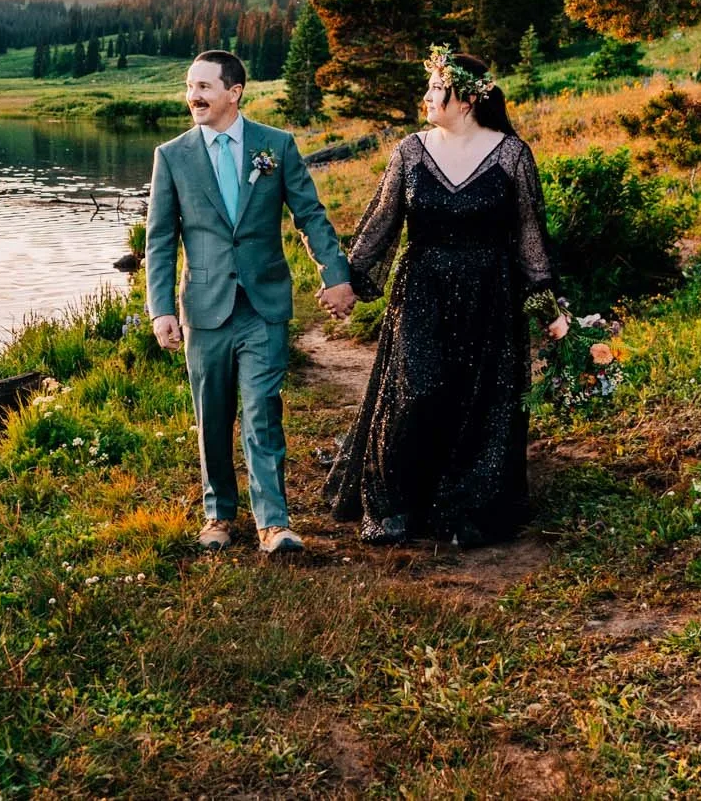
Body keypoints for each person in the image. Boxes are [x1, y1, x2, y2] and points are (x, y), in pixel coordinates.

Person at [323, 47, 569, 548]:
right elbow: (381, 224)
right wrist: (347, 280)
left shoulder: (511, 156)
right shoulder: (410, 151)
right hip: (421, 291)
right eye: (430, 88)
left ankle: (467, 508)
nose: (428, 97)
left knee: (482, 402)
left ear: (470, 98)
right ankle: (396, 506)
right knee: (419, 388)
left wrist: (547, 307)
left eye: (438, 89)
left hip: (490, 295)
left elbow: (528, 236)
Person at [146, 50, 354, 555]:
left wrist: (336, 276)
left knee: (262, 410)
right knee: (212, 414)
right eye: (189, 86)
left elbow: (310, 215)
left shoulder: (275, 146)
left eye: (204, 87)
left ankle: (273, 523)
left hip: (263, 304)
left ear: (233, 92)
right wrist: (161, 309)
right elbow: (160, 240)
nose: (193, 96)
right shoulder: (171, 156)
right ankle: (218, 515)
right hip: (205, 307)